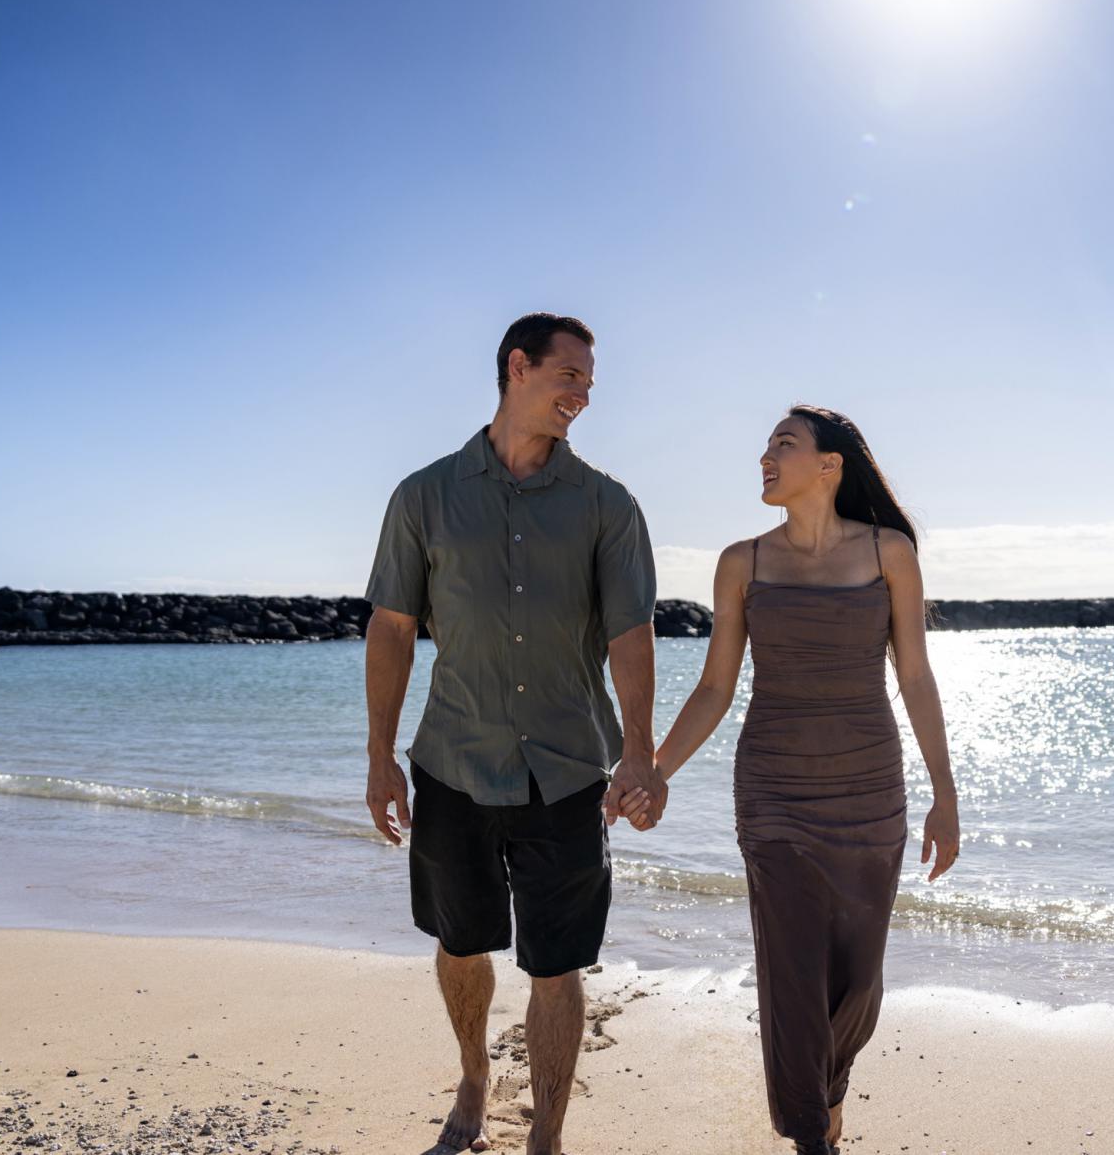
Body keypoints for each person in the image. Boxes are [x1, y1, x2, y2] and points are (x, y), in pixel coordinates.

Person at [361, 312, 664, 1155]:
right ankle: (473, 1077)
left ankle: (548, 1136)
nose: (582, 394)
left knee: (557, 962)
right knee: (460, 944)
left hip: (567, 770)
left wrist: (639, 749)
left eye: (590, 384)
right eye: (570, 376)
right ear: (517, 367)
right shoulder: (425, 495)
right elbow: (391, 627)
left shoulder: (607, 504)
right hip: (454, 763)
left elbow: (630, 635)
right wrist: (380, 757)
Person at [621, 404, 960, 1155]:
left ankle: (826, 1092)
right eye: (768, 445)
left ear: (830, 465)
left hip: (870, 793)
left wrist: (946, 792)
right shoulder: (743, 562)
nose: (765, 456)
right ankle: (812, 1135)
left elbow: (914, 674)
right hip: (773, 794)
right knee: (792, 973)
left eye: (784, 444)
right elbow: (715, 687)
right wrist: (655, 770)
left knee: (859, 982)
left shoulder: (888, 552)